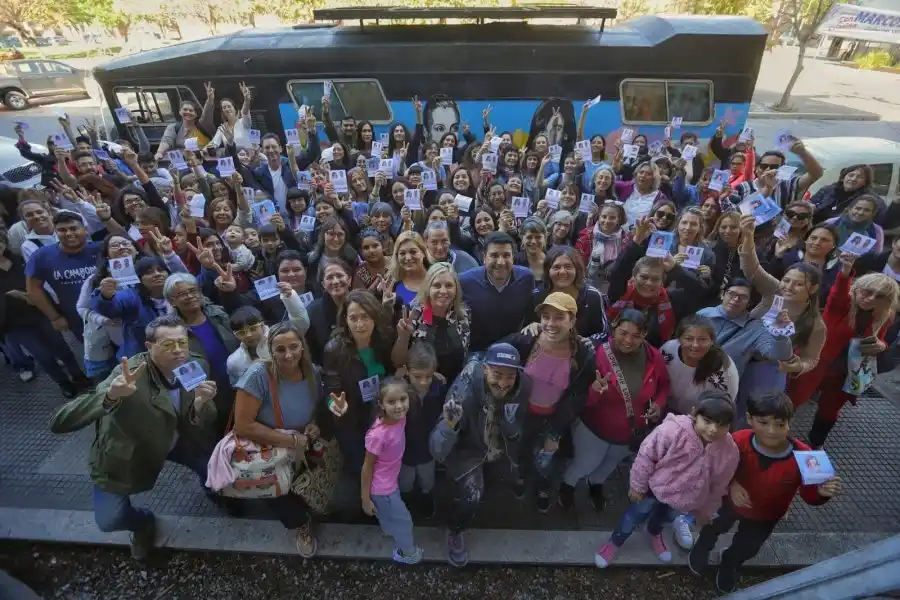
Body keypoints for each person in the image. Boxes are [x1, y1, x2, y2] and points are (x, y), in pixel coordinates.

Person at [49, 316, 220, 560]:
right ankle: (142, 523)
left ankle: (215, 493)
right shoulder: (128, 374)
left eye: (182, 342)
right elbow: (59, 422)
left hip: (177, 439)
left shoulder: (195, 366)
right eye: (168, 345)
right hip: (129, 451)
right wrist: (110, 396)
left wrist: (201, 404)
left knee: (211, 470)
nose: (179, 351)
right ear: (149, 347)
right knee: (109, 520)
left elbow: (205, 418)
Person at [689, 393, 842, 593]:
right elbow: (716, 468)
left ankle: (730, 562)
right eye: (763, 422)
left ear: (789, 423)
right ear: (750, 419)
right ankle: (703, 547)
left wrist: (821, 492)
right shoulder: (737, 440)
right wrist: (732, 484)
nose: (771, 431)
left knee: (748, 547)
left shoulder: (806, 456)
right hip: (727, 504)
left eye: (780, 424)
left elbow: (809, 495)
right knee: (713, 527)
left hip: (766, 515)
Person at [593, 391, 739, 568]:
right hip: (653, 489)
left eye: (721, 424)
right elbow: (647, 456)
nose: (713, 429)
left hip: (684, 499)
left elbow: (719, 485)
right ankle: (615, 542)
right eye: (707, 421)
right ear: (694, 414)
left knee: (664, 519)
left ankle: (654, 533)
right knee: (634, 516)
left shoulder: (729, 451)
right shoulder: (672, 431)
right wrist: (638, 486)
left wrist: (705, 510)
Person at [430, 342, 532, 567]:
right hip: (470, 449)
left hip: (499, 444)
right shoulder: (463, 393)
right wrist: (449, 426)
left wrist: (511, 428)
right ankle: (455, 531)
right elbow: (436, 449)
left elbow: (520, 424)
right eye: (497, 374)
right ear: (485, 369)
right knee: (473, 495)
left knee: (508, 476)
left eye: (509, 376)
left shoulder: (524, 386)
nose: (503, 383)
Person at [560, 309, 669, 512]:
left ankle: (596, 484)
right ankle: (567, 485)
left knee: (610, 463)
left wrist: (658, 404)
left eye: (637, 335)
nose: (628, 340)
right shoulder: (596, 354)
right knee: (584, 463)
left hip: (630, 432)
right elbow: (579, 399)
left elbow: (664, 386)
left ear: (645, 334)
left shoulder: (654, 356)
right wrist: (594, 391)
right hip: (595, 428)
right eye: (623, 333)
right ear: (614, 329)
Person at [233, 321, 326, 557]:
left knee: (302, 484)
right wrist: (291, 442)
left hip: (302, 443)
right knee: (279, 492)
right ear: (270, 350)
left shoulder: (312, 371)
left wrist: (313, 425)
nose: (288, 355)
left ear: (302, 347)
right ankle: (299, 525)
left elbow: (315, 406)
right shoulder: (258, 376)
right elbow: (243, 425)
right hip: (271, 447)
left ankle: (311, 508)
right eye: (280, 349)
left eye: (294, 347)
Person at [789, 257, 899, 448]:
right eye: (867, 291)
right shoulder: (842, 304)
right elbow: (838, 292)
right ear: (857, 288)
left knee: (830, 411)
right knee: (793, 400)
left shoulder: (883, 316)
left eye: (879, 296)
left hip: (846, 373)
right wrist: (846, 271)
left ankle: (816, 443)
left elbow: (882, 340)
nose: (871, 298)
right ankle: (778, 435)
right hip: (816, 363)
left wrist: (881, 346)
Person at [501, 292, 594, 512]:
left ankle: (543, 487)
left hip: (554, 417)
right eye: (546, 316)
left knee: (549, 459)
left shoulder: (582, 354)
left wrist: (556, 432)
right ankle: (522, 478)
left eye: (559, 317)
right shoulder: (527, 340)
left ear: (572, 321)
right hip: (523, 415)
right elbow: (496, 352)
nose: (551, 323)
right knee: (520, 451)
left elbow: (577, 395)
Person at [0, 228, 87, 397]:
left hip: (40, 312)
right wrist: (16, 295)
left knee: (61, 347)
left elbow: (38, 283)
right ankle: (63, 383)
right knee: (43, 356)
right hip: (14, 323)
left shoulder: (20, 260)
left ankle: (78, 375)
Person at [696, 279, 794, 425]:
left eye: (742, 297)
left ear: (748, 303)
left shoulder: (755, 328)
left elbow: (779, 354)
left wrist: (781, 333)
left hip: (721, 392)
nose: (736, 299)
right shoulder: (702, 315)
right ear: (723, 294)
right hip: (689, 380)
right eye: (732, 294)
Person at [324, 290, 395, 475]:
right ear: (345, 319)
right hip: (353, 417)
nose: (360, 324)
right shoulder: (335, 349)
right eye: (353, 318)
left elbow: (392, 368)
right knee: (361, 467)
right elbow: (332, 391)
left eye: (365, 317)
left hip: (381, 410)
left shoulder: (384, 337)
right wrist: (336, 405)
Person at [361, 377, 425, 564]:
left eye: (402, 399)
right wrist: (365, 499)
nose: (399, 406)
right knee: (405, 522)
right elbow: (367, 466)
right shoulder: (377, 435)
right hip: (383, 489)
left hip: (389, 481)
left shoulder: (400, 418)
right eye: (391, 402)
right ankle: (407, 554)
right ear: (381, 404)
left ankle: (388, 529)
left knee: (386, 513)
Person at [26, 211, 103, 341]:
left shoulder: (102, 249)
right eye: (62, 230)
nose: (68, 234)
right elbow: (33, 288)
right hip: (78, 319)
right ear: (56, 232)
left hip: (113, 311)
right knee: (99, 359)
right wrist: (54, 317)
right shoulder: (42, 256)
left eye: (74, 228)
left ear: (85, 230)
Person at [392, 262, 471, 384]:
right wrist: (403, 337)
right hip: (423, 385)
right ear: (428, 288)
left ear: (456, 289)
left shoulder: (463, 314)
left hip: (455, 385)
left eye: (449, 285)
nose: (443, 291)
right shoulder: (413, 313)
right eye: (437, 285)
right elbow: (398, 363)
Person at [460, 231, 535, 354]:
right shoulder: (465, 282)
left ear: (513, 257)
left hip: (513, 348)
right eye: (494, 255)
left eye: (506, 255)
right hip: (477, 351)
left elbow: (531, 315)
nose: (500, 262)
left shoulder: (526, 278)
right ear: (484, 258)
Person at [399, 341, 446, 519]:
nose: (423, 382)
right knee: (405, 481)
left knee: (428, 479)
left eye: (428, 376)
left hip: (428, 449)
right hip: (405, 451)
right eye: (417, 376)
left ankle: (426, 498)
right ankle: (407, 500)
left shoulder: (439, 387)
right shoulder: (399, 390)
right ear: (407, 371)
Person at [529, 246, 610, 340]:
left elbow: (603, 332)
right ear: (548, 271)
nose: (563, 272)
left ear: (577, 270)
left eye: (568, 267)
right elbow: (529, 326)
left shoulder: (592, 296)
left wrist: (585, 344)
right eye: (556, 267)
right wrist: (532, 327)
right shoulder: (538, 295)